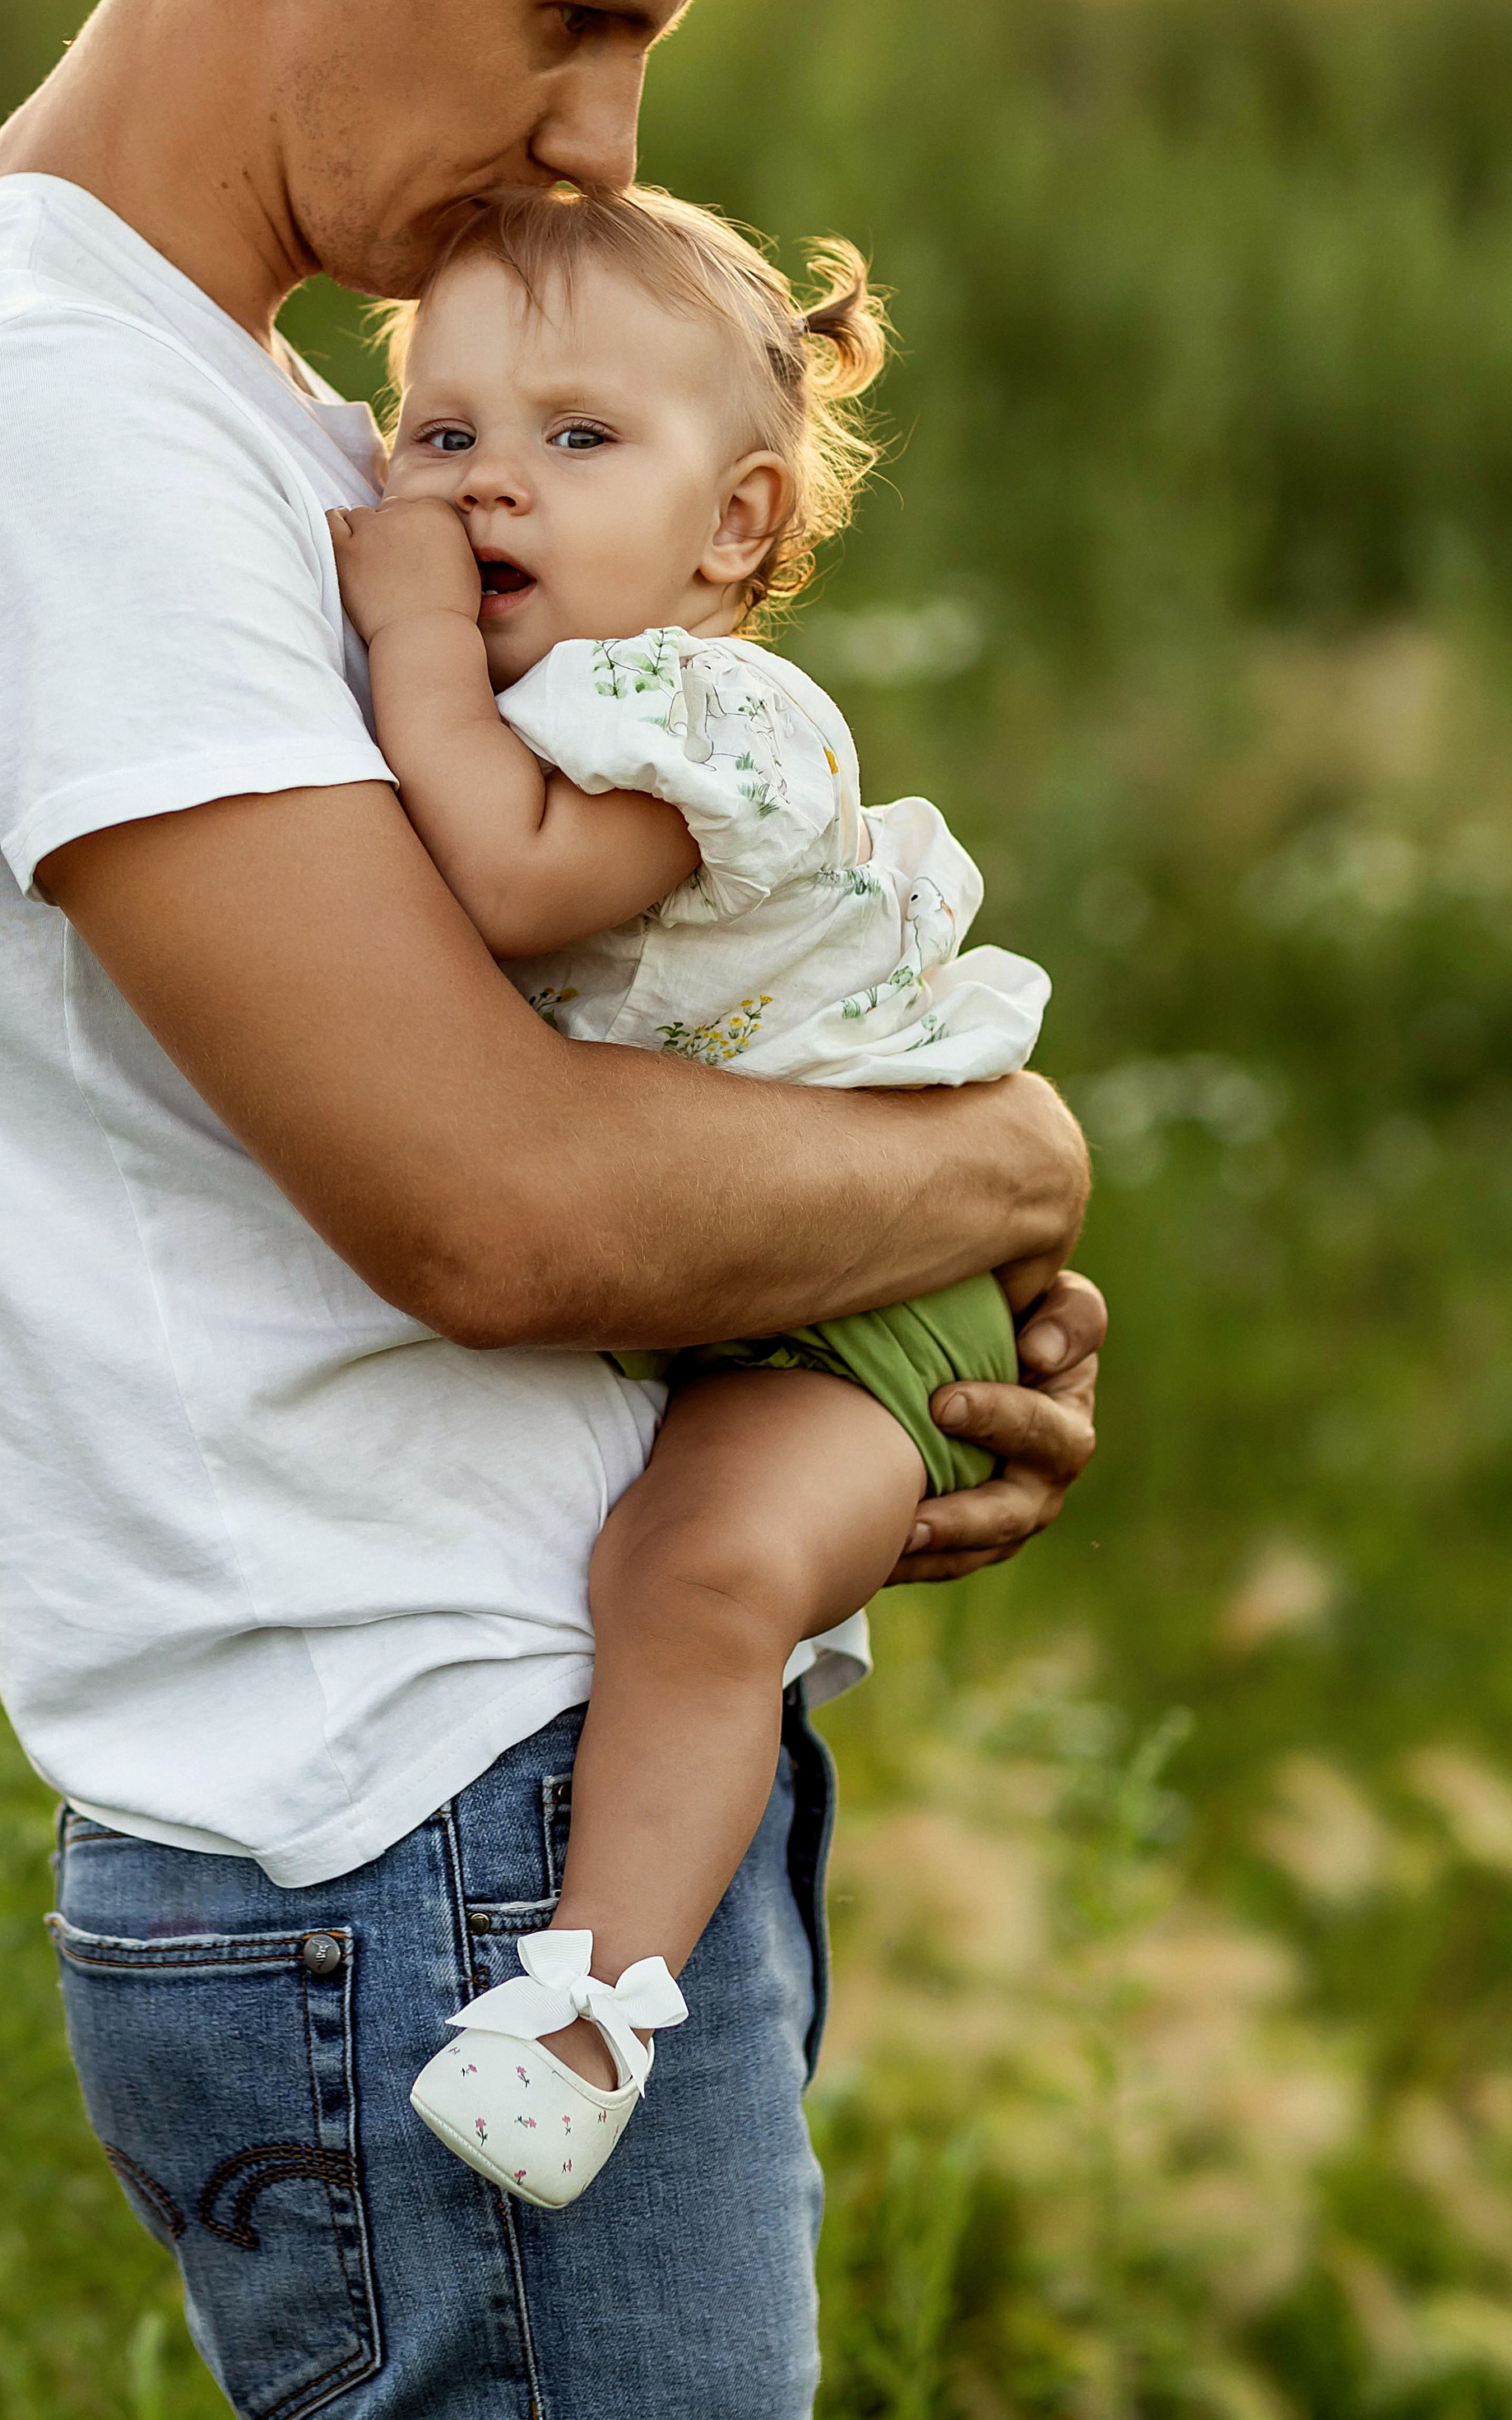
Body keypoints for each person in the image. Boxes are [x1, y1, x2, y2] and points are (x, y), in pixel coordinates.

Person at [0, 0, 1103, 2417]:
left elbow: (580, 1066)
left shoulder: (257, 417)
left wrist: (852, 1327)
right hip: (422, 1847)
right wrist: (994, 1169)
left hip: (495, 1820)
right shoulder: (53, 427)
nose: (608, 139)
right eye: (574, 17)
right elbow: (484, 1210)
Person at [327, 187, 1052, 2213]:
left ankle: (590, 2015)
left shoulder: (695, 713)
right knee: (672, 1561)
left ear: (734, 525)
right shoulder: (545, 688)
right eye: (439, 434)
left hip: (854, 1299)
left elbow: (505, 885)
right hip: (748, 1254)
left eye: (575, 441)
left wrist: (394, 633)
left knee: (696, 1576)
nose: (482, 489)